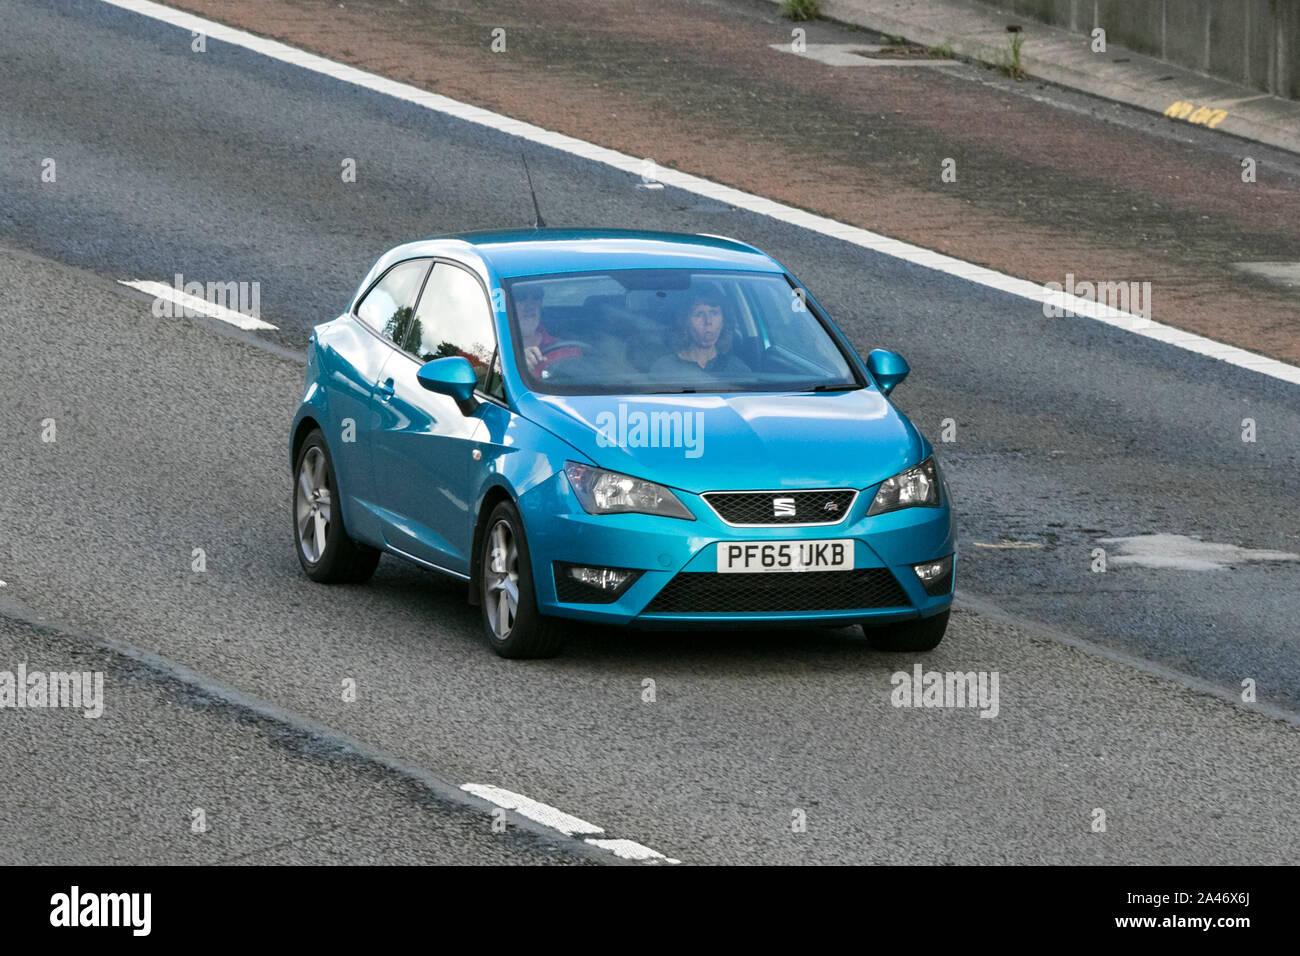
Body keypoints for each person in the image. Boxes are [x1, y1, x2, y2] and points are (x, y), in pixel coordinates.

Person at [650, 287, 750, 382]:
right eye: (699, 314)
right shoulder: (664, 369)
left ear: (723, 321)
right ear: (684, 322)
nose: (708, 321)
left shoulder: (738, 370)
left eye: (714, 313)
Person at [514, 284, 581, 377]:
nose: (530, 306)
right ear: (509, 305)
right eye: (521, 298)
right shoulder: (501, 350)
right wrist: (515, 364)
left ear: (540, 303)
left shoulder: (566, 350)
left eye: (536, 297)